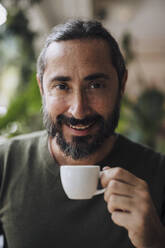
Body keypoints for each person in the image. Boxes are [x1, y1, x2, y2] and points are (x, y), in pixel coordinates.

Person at [0, 19, 165, 248]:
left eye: (95, 85)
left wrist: (156, 241)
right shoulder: (5, 163)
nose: (78, 110)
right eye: (61, 86)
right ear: (42, 89)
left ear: (122, 85)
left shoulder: (159, 175)